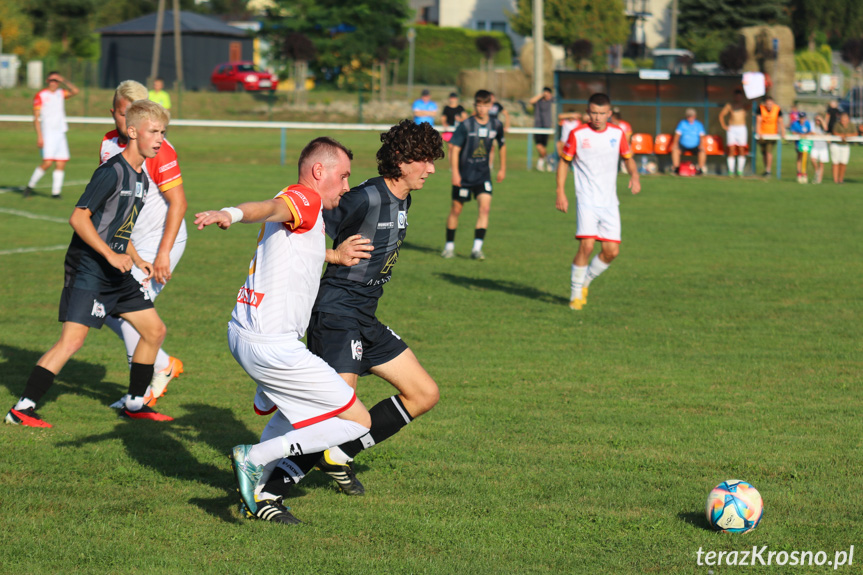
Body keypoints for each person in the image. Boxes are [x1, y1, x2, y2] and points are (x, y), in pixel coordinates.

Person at [257, 120, 445, 500]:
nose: (431, 168)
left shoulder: (404, 198)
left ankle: (338, 453)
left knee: (424, 393)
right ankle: (269, 491)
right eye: (424, 160)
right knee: (337, 413)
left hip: (364, 316)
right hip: (336, 313)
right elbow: (300, 228)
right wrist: (333, 254)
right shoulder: (365, 197)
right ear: (401, 159)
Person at [194, 137, 376, 525]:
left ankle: (259, 495)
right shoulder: (304, 199)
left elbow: (297, 243)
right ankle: (253, 458)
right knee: (357, 422)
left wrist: (336, 255)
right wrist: (232, 212)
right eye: (343, 176)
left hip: (245, 332)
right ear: (318, 172)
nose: (346, 186)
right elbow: (268, 208)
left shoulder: (306, 212)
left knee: (296, 415)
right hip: (271, 344)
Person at [6, 100, 174, 428]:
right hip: (89, 268)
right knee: (73, 340)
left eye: (163, 133)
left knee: (155, 331)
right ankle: (21, 410)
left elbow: (120, 227)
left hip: (118, 270)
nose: (159, 139)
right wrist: (111, 255)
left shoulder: (142, 180)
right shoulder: (110, 172)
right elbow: (79, 218)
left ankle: (135, 403)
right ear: (132, 131)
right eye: (153, 132)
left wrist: (137, 259)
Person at [99, 80, 188, 408]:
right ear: (115, 112)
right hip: (129, 244)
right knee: (106, 307)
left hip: (161, 240)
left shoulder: (159, 147)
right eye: (122, 114)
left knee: (130, 310)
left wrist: (163, 253)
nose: (126, 123)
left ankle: (146, 384)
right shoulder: (108, 144)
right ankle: (162, 363)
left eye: (133, 115)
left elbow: (178, 204)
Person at [554, 92, 641, 311]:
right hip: (587, 200)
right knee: (587, 245)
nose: (597, 117)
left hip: (610, 202)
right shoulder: (577, 134)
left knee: (612, 252)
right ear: (587, 112)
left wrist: (634, 175)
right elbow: (564, 163)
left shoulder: (617, 133)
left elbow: (628, 158)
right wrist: (560, 192)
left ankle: (586, 282)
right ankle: (575, 295)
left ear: (609, 114)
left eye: (602, 113)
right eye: (593, 112)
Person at [441, 89, 506, 261]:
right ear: (475, 105)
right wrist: (455, 173)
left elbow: (502, 144)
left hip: (483, 175)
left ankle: (477, 249)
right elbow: (454, 149)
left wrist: (502, 168)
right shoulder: (467, 125)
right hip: (464, 176)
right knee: (456, 210)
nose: (482, 109)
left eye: (486, 105)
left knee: (485, 208)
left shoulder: (496, 125)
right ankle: (449, 246)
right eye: (479, 105)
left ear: (491, 106)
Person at [24, 72, 79, 199]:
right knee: (47, 162)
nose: (54, 82)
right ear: (47, 81)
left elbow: (75, 91)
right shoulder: (41, 95)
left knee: (61, 163)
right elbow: (36, 118)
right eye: (51, 80)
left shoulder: (61, 93)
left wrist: (64, 79)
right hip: (47, 133)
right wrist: (39, 136)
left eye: (56, 80)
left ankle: (56, 193)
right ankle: (30, 186)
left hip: (60, 132)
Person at [719, 89, 749, 176]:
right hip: (732, 128)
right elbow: (721, 114)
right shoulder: (730, 105)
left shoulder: (744, 105)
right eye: (737, 96)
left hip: (742, 128)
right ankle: (731, 170)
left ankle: (740, 170)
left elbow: (752, 104)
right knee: (731, 149)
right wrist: (724, 126)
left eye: (740, 96)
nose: (738, 98)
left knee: (741, 149)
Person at [755, 95, 786, 176]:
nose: (769, 106)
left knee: (769, 151)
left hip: (772, 134)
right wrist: (759, 132)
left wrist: (783, 131)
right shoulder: (761, 108)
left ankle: (768, 170)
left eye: (770, 104)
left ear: (773, 103)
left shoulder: (777, 109)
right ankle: (766, 169)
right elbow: (758, 121)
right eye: (767, 104)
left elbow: (780, 121)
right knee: (764, 152)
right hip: (763, 134)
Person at [671, 108, 706, 174]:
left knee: (702, 152)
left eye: (691, 116)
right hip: (683, 145)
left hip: (695, 146)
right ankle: (676, 168)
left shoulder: (699, 125)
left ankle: (700, 169)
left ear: (694, 116)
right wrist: (675, 144)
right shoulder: (682, 123)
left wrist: (701, 145)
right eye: (688, 116)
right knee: (675, 150)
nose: (689, 117)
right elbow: (677, 135)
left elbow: (702, 136)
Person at [530, 87, 554, 171]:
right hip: (538, 126)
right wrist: (542, 95)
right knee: (539, 146)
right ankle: (548, 160)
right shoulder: (538, 101)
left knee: (543, 147)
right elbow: (531, 101)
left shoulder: (551, 101)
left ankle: (540, 165)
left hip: (547, 126)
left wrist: (549, 96)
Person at [830, 112, 856, 184]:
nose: (843, 122)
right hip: (836, 145)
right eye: (842, 120)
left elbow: (855, 133)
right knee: (835, 162)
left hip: (845, 145)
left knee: (843, 163)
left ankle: (841, 179)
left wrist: (847, 135)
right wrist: (842, 136)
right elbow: (834, 132)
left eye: (845, 120)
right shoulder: (837, 124)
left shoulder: (851, 125)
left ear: (848, 120)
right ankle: (835, 180)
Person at [790, 112, 813, 183]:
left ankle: (804, 172)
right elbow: (793, 132)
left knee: (805, 157)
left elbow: (810, 132)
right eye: (800, 118)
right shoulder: (795, 123)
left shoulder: (807, 123)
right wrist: (800, 135)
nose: (802, 119)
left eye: (803, 118)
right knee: (799, 157)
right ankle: (799, 172)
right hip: (799, 143)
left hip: (806, 143)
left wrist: (805, 135)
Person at [809, 114, 830, 184]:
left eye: (819, 120)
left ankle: (819, 180)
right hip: (815, 146)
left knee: (821, 163)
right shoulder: (812, 125)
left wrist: (822, 120)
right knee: (813, 159)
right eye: (816, 120)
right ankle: (817, 171)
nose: (817, 121)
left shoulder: (823, 126)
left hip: (823, 147)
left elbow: (826, 129)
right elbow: (812, 132)